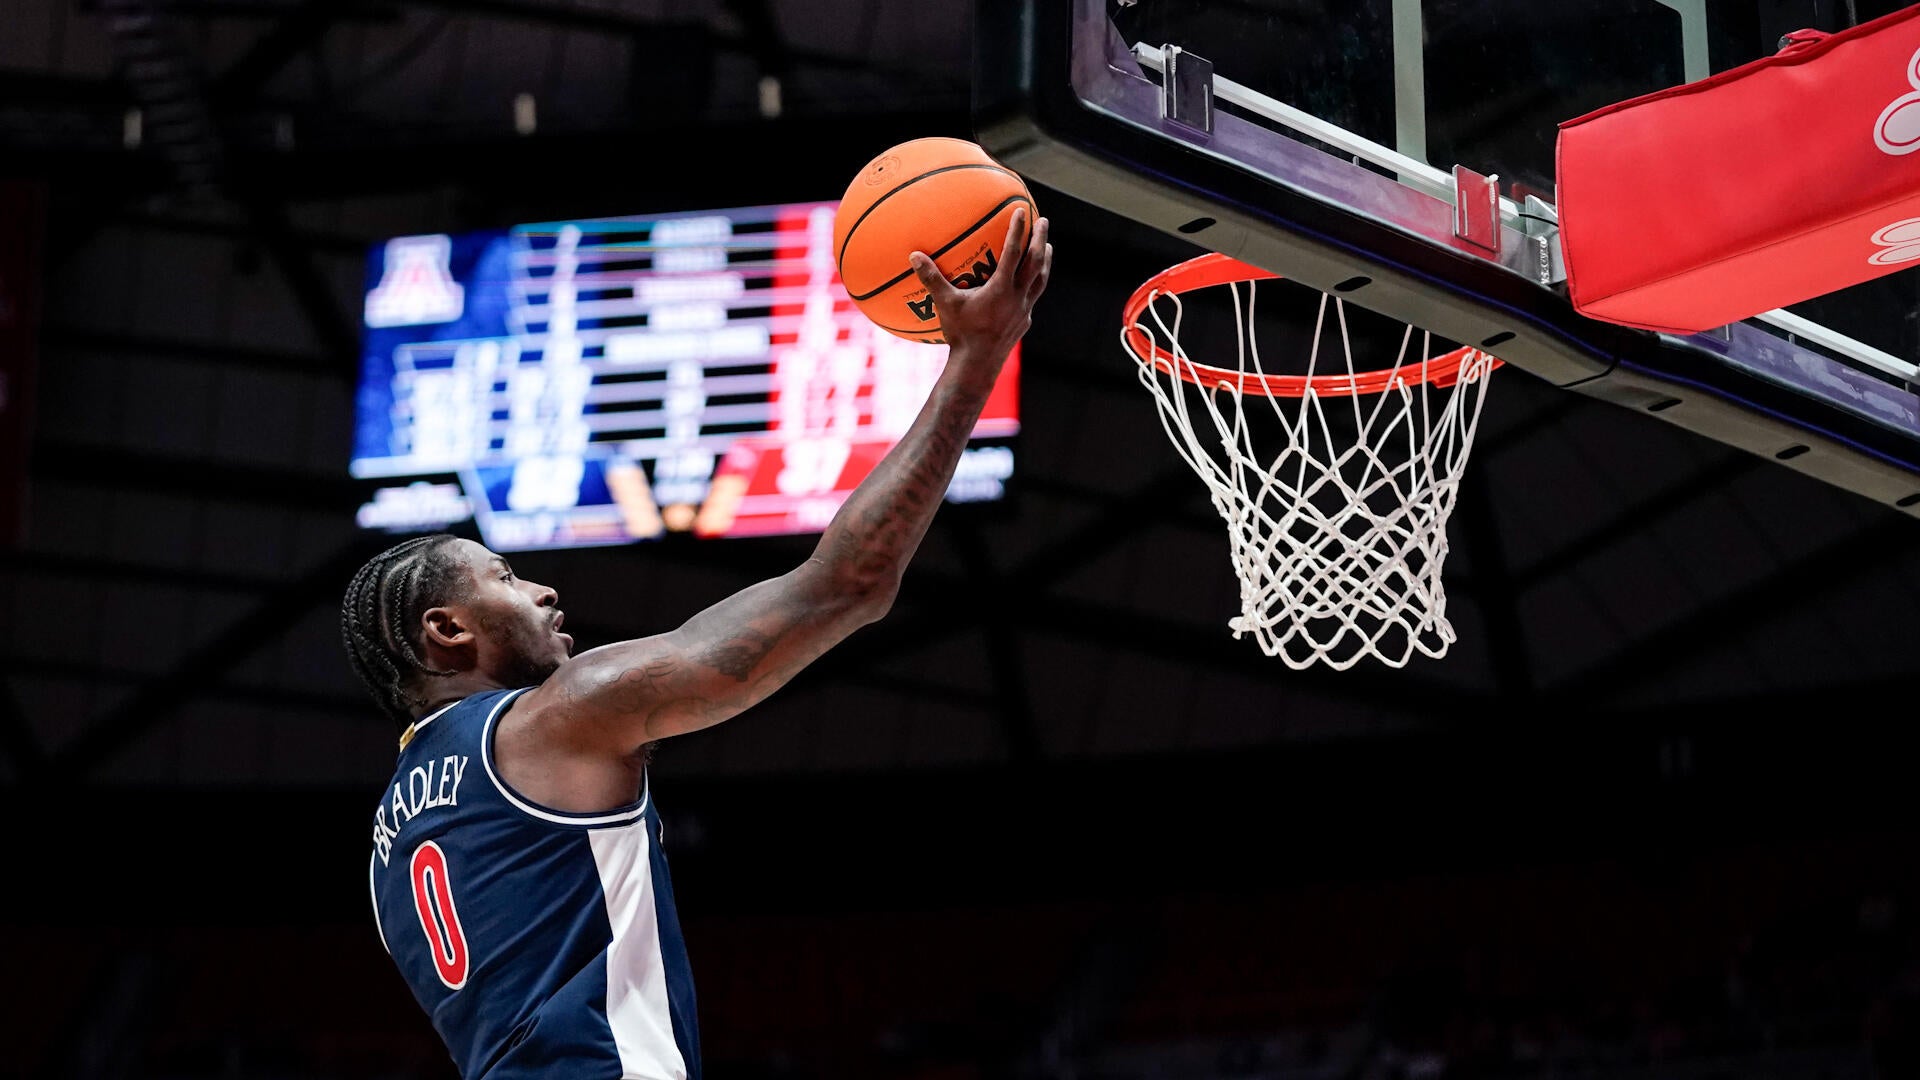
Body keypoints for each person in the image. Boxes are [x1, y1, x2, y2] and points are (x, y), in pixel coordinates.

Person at [342, 210, 1051, 1080]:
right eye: (505, 578)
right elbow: (845, 586)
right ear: (448, 630)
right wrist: (976, 359)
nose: (542, 591)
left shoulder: (388, 844)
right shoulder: (552, 721)